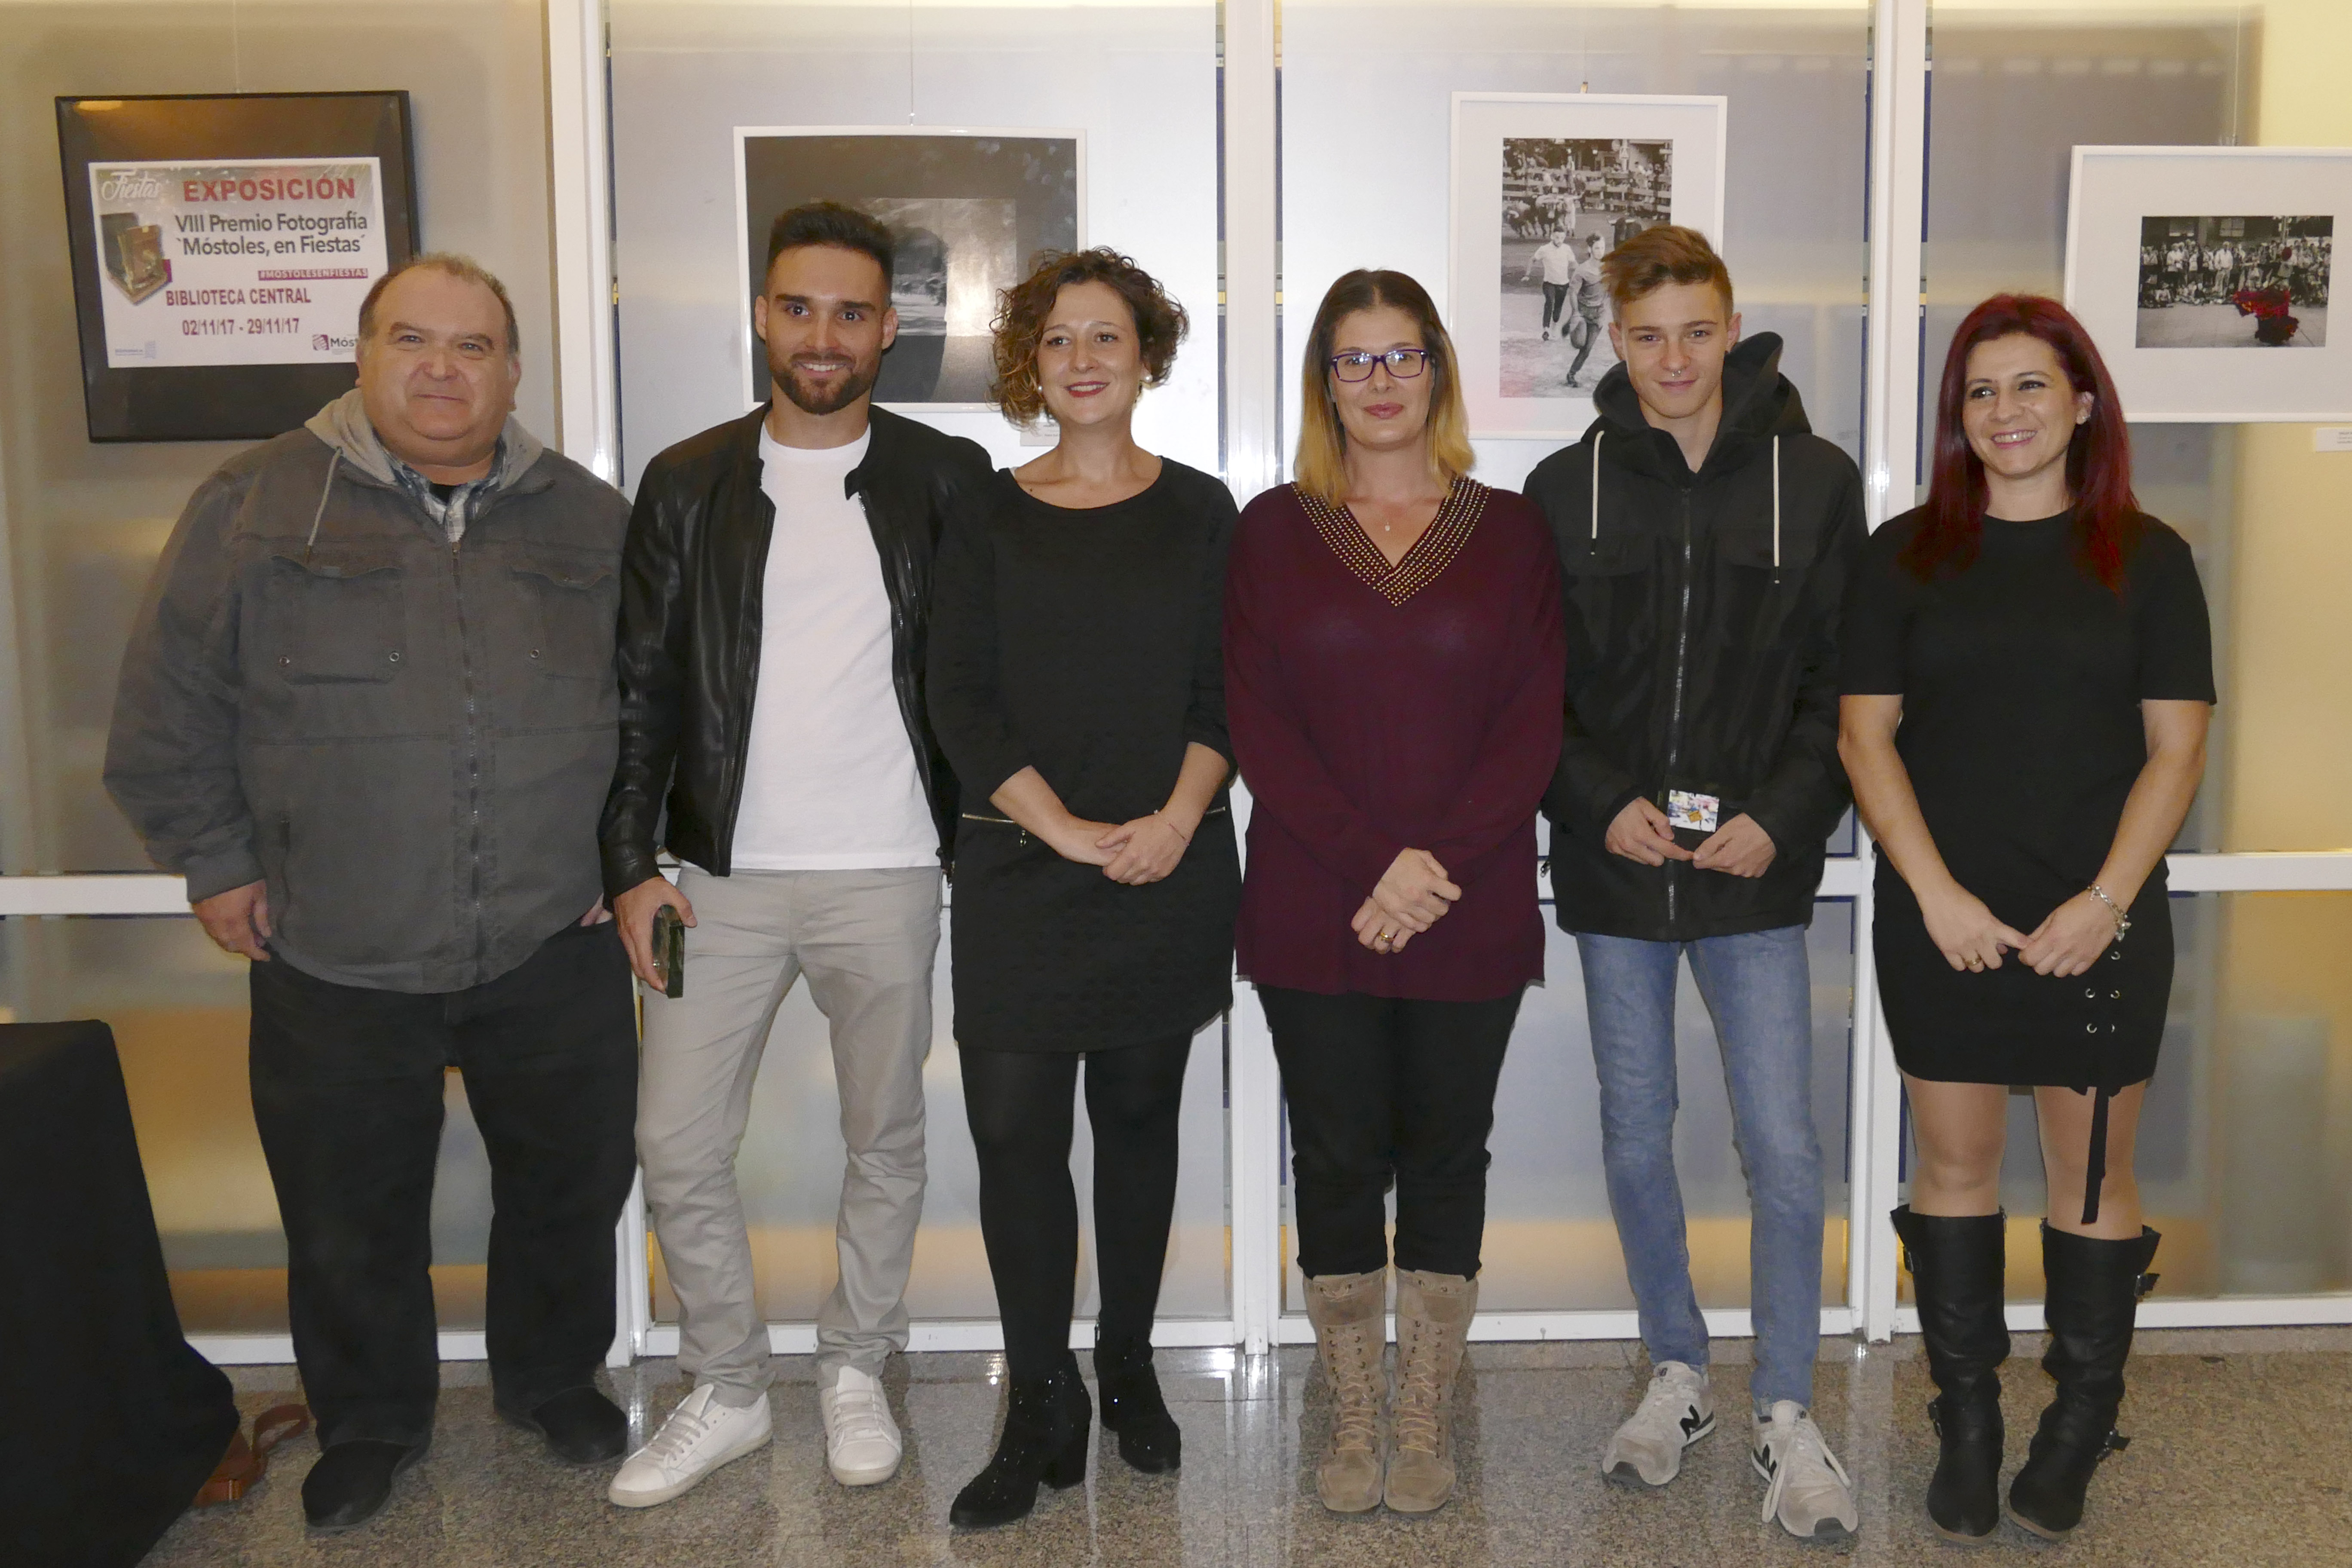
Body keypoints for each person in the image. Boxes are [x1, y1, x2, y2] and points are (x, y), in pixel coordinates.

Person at [104, 254, 638, 1532]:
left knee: (569, 1187)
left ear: (513, 372)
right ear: (363, 354)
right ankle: (371, 1420)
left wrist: (626, 863)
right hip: (333, 938)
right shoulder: (253, 503)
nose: (442, 368)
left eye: (473, 346)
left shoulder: (591, 520)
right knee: (348, 1213)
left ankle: (552, 1380)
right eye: (413, 340)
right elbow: (168, 706)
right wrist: (218, 859)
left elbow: (656, 709)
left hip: (550, 935)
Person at [598, 202, 994, 1508]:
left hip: (889, 871)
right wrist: (630, 863)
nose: (822, 335)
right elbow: (642, 688)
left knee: (885, 1134)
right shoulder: (686, 480)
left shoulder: (945, 479)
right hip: (716, 878)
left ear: (887, 330)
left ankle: (856, 1364)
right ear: (764, 317)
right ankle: (724, 1385)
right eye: (799, 307)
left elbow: (986, 676)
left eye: (850, 312)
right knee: (674, 1139)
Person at [1839, 294, 2212, 1546]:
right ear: (1959, 416)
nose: (2004, 411)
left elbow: (2175, 751)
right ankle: (1968, 1422)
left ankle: (2076, 1422)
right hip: (1942, 915)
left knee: (2088, 1176)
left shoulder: (2149, 559)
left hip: (2099, 920)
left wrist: (2103, 903)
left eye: (2030, 385)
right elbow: (1864, 738)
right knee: (1951, 1167)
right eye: (1981, 390)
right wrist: (1936, 895)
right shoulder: (1901, 555)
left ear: (2084, 402)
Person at [1522, 224, 1867, 1546]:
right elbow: (1531, 689)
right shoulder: (1563, 488)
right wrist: (1594, 802)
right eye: (1650, 335)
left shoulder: (1815, 482)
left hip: (1753, 876)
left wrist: (1782, 819)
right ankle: (1677, 1370)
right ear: (1616, 340)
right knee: (1634, 1131)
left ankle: (1787, 1405)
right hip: (1618, 871)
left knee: (1782, 1146)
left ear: (1733, 330)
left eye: (1698, 332)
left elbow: (1842, 682)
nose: (1675, 359)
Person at [1226, 269, 1563, 1518]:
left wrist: (1433, 870)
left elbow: (1533, 722)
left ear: (1437, 373)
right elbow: (1258, 724)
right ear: (1324, 382)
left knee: (1445, 1152)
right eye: (1354, 359)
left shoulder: (1512, 531)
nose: (1379, 381)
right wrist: (1376, 862)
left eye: (1402, 356)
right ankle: (1353, 1406)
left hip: (1467, 904)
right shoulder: (1270, 530)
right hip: (1314, 902)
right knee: (1331, 1155)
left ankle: (1423, 1403)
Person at [925, 248, 1240, 1529]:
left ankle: (1126, 1364)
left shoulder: (1204, 509)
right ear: (1029, 364)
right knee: (1013, 1135)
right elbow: (956, 693)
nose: (1082, 359)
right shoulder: (984, 511)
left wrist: (1176, 819)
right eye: (1057, 339)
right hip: (1020, 861)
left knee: (1140, 1117)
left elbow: (1229, 690)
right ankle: (1039, 1398)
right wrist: (1057, 828)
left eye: (1106, 335)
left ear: (1146, 355)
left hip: (1167, 858)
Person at [1563, 236, 1610, 390]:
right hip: (1583, 312)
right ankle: (1572, 323)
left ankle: (1571, 374)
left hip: (1598, 315)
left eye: (1602, 248)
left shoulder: (1609, 268)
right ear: (1590, 249)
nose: (1600, 251)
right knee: (1579, 344)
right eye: (1597, 248)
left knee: (1587, 349)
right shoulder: (1582, 270)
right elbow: (1573, 293)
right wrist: (1576, 313)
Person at [1525, 227, 1577, 342]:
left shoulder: (1567, 249)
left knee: (1558, 308)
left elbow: (1574, 264)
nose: (1560, 240)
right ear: (1552, 236)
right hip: (1549, 283)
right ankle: (1546, 329)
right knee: (1549, 302)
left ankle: (1555, 325)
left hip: (1563, 284)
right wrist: (1527, 275)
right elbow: (1532, 260)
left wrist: (1581, 277)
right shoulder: (1544, 249)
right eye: (1557, 237)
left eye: (1562, 238)